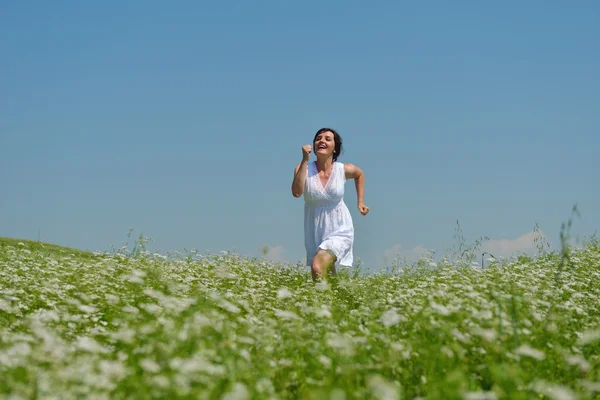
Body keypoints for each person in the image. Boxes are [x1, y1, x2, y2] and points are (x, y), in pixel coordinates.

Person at [291, 128, 369, 281]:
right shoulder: (303, 169)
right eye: (318, 138)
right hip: (315, 230)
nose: (322, 141)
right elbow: (297, 193)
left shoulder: (342, 169)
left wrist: (360, 202)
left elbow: (359, 174)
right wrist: (305, 161)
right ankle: (333, 302)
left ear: (335, 148)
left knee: (318, 266)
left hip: (340, 228)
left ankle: (325, 302)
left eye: (327, 139)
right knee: (324, 273)